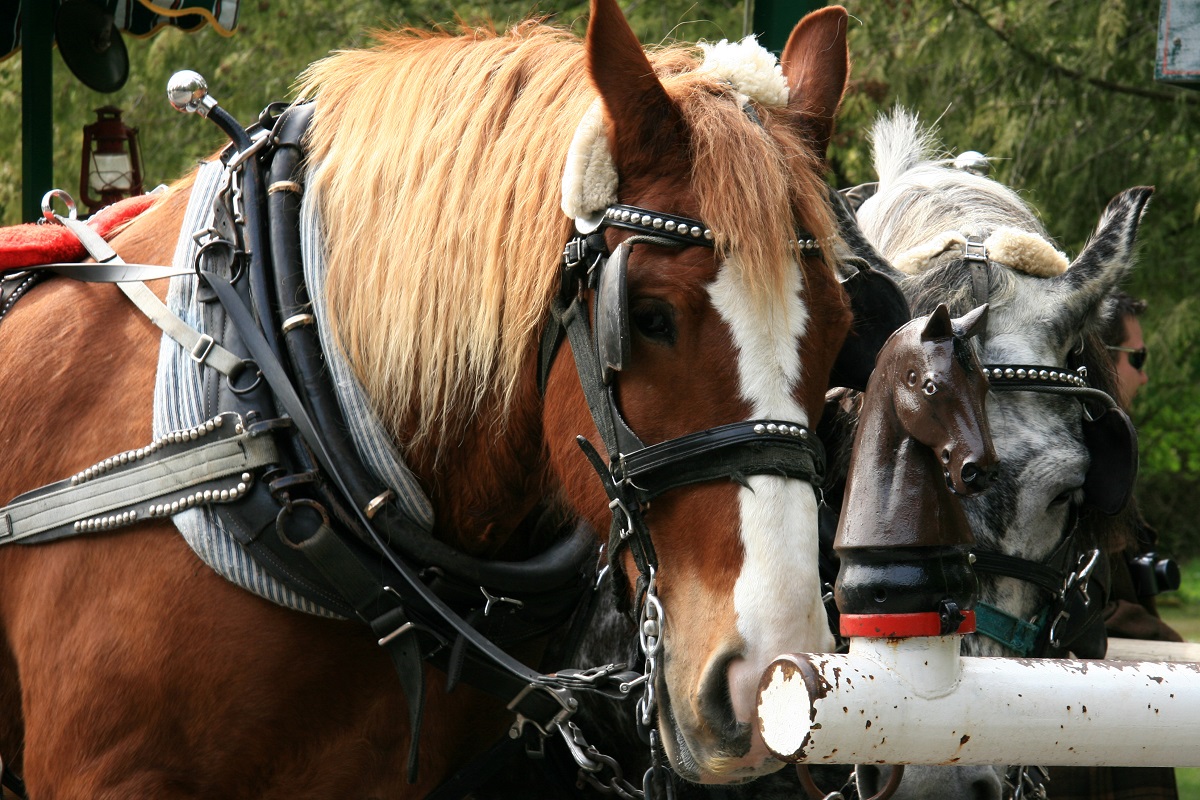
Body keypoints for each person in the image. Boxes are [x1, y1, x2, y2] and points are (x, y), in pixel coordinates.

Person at [1051, 292, 1181, 800]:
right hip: (1081, 745)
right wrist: (1167, 644)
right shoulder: (1069, 469)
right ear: (1103, 358)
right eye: (1138, 358)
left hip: (1123, 726)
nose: (1145, 376)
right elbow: (1083, 608)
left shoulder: (1103, 453)